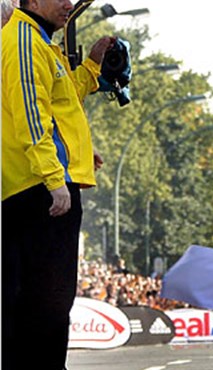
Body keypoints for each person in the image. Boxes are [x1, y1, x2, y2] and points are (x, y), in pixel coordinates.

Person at [1, 0, 114, 368]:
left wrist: (93, 65)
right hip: (37, 188)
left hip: (47, 182)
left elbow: (63, 104)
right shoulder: (22, 40)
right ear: (31, 1)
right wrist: (53, 177)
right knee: (43, 302)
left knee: (51, 301)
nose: (69, 4)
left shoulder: (41, 40)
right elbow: (31, 114)